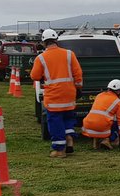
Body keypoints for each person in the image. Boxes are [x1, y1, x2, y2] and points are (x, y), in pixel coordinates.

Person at [30, 29, 84, 157]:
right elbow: (78, 73)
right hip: (69, 92)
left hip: (54, 94)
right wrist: (78, 88)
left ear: (43, 43)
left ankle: (60, 150)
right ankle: (69, 139)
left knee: (55, 121)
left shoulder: (41, 58)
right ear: (56, 40)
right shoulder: (69, 54)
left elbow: (35, 76)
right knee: (68, 117)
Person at [82, 79, 120, 151]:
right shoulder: (118, 102)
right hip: (101, 127)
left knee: (101, 119)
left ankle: (96, 142)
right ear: (118, 91)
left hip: (87, 127)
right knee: (114, 121)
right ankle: (107, 140)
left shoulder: (99, 95)